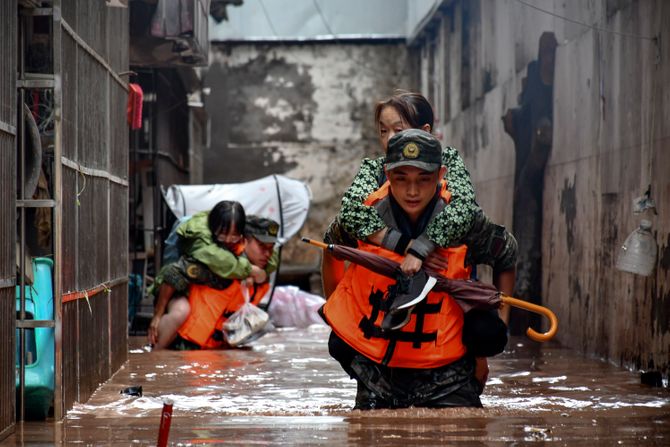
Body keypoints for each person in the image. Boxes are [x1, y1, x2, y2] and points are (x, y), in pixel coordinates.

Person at [321, 129, 509, 409]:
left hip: (448, 373)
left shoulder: (463, 220)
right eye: (401, 179)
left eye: (424, 180)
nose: (412, 191)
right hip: (378, 371)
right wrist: (338, 310)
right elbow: (330, 247)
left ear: (441, 174)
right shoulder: (365, 217)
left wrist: (486, 343)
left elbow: (507, 255)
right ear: (387, 174)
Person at [323, 90, 516, 323]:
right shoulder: (374, 171)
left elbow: (464, 210)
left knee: (483, 334)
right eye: (384, 131)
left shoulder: (449, 165)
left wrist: (422, 248)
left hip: (445, 297)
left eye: (399, 130)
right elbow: (348, 217)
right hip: (385, 298)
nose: (389, 139)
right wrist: (405, 245)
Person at [148, 201, 274, 349]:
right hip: (175, 293)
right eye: (222, 235)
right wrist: (157, 316)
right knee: (180, 311)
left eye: (233, 237)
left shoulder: (242, 257)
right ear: (214, 230)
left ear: (242, 237)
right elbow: (172, 274)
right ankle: (154, 352)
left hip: (210, 334)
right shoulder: (207, 254)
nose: (227, 241)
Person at [172, 216, 281, 350]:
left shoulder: (262, 273)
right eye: (262, 246)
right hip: (188, 346)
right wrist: (159, 315)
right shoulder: (218, 263)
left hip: (220, 349)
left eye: (271, 248)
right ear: (244, 241)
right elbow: (172, 272)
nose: (267, 253)